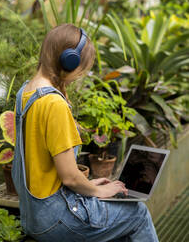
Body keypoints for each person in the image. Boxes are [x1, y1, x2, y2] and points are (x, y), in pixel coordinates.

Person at [12, 24, 159, 242]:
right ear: (69, 62)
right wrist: (98, 192)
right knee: (137, 214)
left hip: (33, 215)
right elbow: (70, 177)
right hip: (56, 219)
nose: (81, 75)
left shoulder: (26, 92)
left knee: (118, 222)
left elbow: (44, 166)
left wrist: (90, 185)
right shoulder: (53, 104)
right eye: (83, 68)